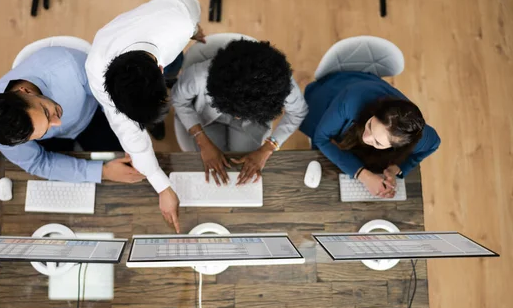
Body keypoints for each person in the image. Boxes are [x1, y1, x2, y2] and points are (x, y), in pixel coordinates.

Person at [86, 0, 206, 233]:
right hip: (144, 45)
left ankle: (154, 112)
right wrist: (162, 186)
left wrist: (193, 29)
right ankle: (151, 118)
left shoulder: (181, 18)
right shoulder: (96, 71)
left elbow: (193, 8)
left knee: (176, 66)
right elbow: (130, 136)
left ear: (159, 71)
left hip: (172, 41)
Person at [0, 46, 145, 185]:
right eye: (44, 130)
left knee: (129, 163)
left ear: (26, 91)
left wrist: (127, 134)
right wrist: (103, 172)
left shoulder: (70, 68)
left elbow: (112, 98)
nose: (57, 123)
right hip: (49, 143)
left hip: (91, 116)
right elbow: (38, 162)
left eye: (46, 112)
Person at [172, 39, 308, 185]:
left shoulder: (282, 85)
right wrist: (202, 142)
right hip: (208, 118)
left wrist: (267, 149)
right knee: (212, 164)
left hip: (253, 122)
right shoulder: (198, 75)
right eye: (236, 113)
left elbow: (298, 113)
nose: (236, 117)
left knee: (241, 164)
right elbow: (179, 100)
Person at [299, 71, 440, 197]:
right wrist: (363, 175)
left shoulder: (419, 137)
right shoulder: (351, 101)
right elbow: (321, 138)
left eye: (378, 142)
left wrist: (397, 168)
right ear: (375, 112)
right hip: (334, 96)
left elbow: (434, 144)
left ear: (397, 146)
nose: (366, 137)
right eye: (370, 126)